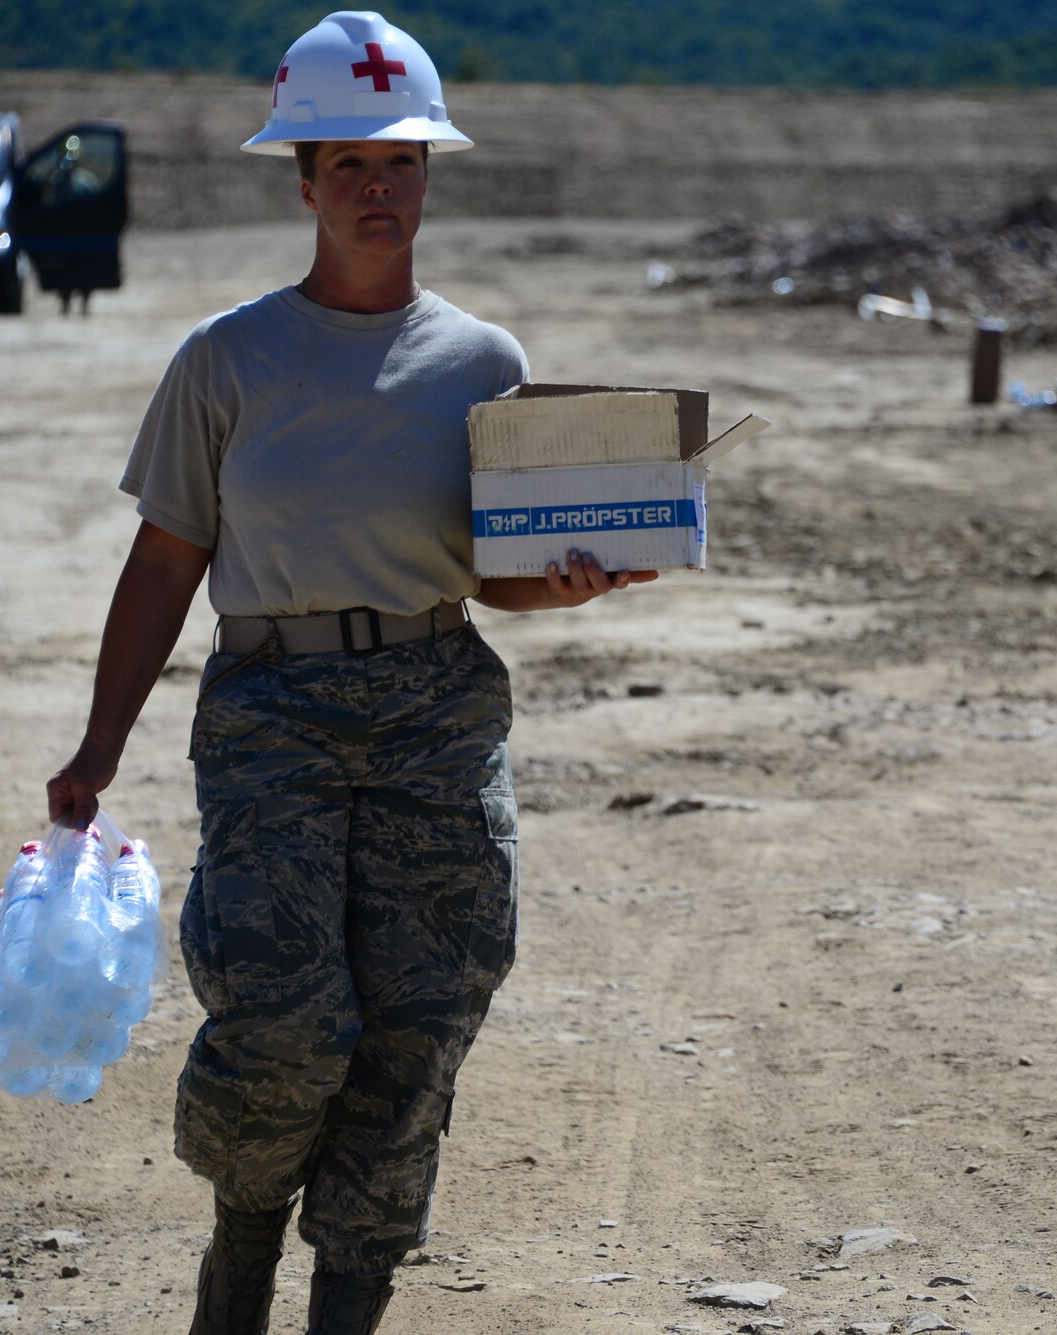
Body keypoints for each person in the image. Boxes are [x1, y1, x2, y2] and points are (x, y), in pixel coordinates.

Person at [42, 12, 654, 1334]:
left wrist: (566, 581)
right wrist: (98, 747)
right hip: (273, 714)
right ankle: (243, 1248)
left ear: (430, 177)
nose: (380, 191)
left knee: (421, 1019)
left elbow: (488, 568)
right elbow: (163, 567)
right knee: (284, 1015)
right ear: (303, 182)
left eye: (403, 165)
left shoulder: (487, 367)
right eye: (350, 168)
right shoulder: (227, 361)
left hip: (435, 706)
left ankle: (350, 1299)